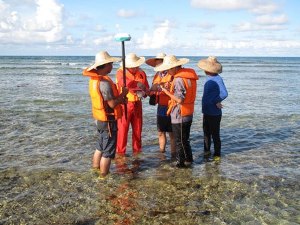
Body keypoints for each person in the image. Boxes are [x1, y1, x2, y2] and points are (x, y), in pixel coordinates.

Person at [82, 51, 128, 177]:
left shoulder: (94, 80)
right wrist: (123, 95)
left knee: (100, 146)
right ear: (106, 65)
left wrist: (120, 97)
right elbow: (112, 104)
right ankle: (103, 176)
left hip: (99, 119)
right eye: (111, 64)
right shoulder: (104, 83)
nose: (112, 67)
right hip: (108, 121)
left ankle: (95, 170)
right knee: (107, 152)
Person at [154, 55, 198, 168]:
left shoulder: (178, 79)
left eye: (169, 68)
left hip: (180, 115)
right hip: (188, 112)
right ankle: (189, 160)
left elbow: (179, 99)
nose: (168, 71)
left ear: (174, 67)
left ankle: (180, 164)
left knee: (180, 141)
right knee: (185, 140)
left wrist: (165, 91)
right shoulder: (188, 77)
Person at [116, 53, 149, 155]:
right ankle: (121, 154)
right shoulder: (120, 72)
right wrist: (138, 85)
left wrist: (144, 93)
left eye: (137, 65)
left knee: (138, 131)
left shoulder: (142, 73)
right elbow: (124, 83)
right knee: (122, 131)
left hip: (138, 103)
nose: (136, 67)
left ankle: (137, 153)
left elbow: (147, 89)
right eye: (134, 66)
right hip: (124, 104)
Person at [197, 56, 228, 161]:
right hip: (206, 111)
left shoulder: (218, 79)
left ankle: (217, 154)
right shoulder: (209, 78)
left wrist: (216, 101)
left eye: (205, 68)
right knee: (206, 133)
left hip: (214, 113)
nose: (204, 70)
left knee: (215, 134)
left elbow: (224, 93)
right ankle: (206, 151)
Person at [146, 53, 176, 158]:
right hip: (161, 107)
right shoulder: (157, 75)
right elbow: (151, 90)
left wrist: (162, 86)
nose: (158, 67)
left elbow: (175, 90)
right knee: (160, 132)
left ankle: (173, 155)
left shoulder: (172, 75)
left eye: (160, 64)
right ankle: (162, 153)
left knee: (172, 133)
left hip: (171, 106)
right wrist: (148, 91)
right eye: (157, 65)